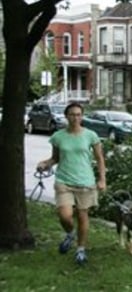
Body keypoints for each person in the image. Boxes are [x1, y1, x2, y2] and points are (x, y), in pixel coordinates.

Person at [37, 102, 106, 265]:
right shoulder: (58, 136)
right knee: (65, 215)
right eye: (72, 114)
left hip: (85, 181)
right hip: (64, 181)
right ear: (66, 116)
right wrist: (44, 164)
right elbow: (55, 158)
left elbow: (100, 159)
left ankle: (80, 250)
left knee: (83, 216)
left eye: (78, 114)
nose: (75, 118)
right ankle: (70, 233)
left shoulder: (91, 135)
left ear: (82, 116)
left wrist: (102, 179)